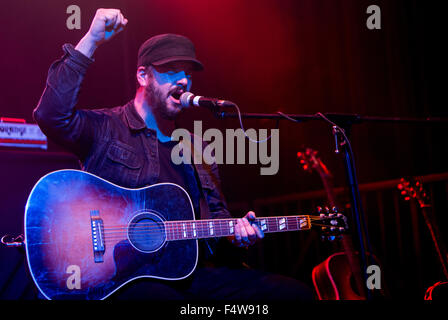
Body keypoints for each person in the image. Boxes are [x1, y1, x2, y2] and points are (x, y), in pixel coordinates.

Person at [33, 8, 313, 300]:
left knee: (292, 294)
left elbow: (216, 220)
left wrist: (238, 235)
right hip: (120, 279)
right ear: (143, 75)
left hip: (187, 274)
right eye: (171, 71)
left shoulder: (199, 149)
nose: (183, 81)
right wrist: (91, 40)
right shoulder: (106, 128)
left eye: (187, 74)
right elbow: (51, 115)